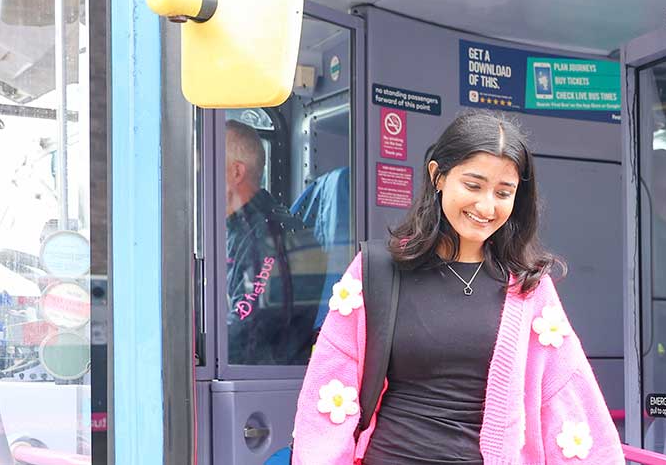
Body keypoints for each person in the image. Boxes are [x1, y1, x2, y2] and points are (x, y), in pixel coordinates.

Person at [292, 111, 623, 465]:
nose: (486, 206)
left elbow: (567, 396)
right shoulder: (375, 270)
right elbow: (326, 396)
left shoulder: (529, 288)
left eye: (503, 192)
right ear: (438, 176)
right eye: (473, 185)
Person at [224, 119, 320, 365]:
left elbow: (245, 331)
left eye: (203, 168)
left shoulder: (268, 237)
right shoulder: (233, 231)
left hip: (264, 381)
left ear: (236, 172)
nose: (196, 179)